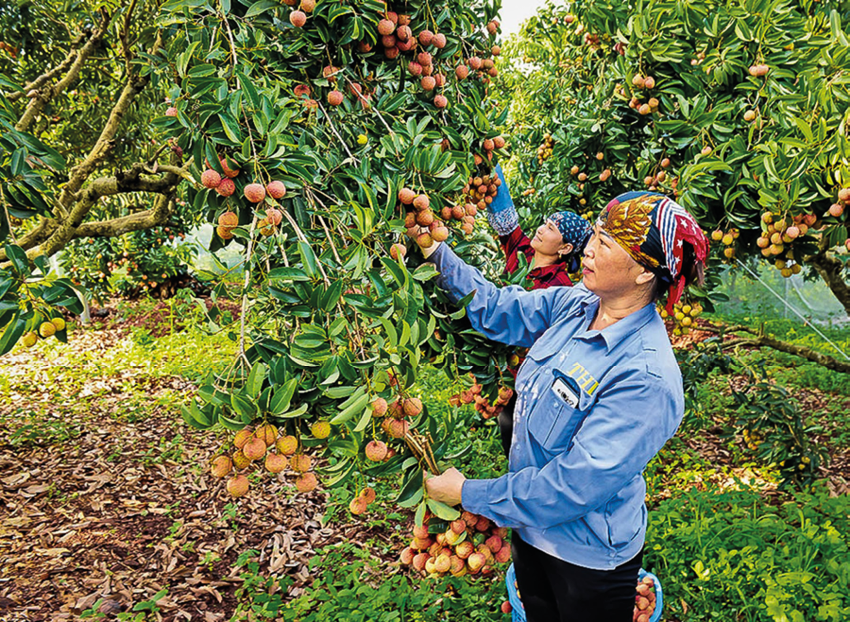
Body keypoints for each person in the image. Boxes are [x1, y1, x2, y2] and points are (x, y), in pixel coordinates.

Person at [422, 190, 708, 622]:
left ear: (644, 274)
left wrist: (469, 493)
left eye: (606, 245)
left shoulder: (645, 377)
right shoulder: (576, 305)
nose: (589, 250)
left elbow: (571, 487)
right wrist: (436, 252)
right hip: (531, 530)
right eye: (595, 234)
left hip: (586, 558)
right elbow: (499, 309)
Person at [485, 165, 593, 456]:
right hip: (500, 365)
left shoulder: (559, 287)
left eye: (551, 228)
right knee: (507, 432)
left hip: (528, 376)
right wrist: (488, 162)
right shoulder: (521, 250)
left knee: (519, 438)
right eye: (545, 223)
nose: (541, 229)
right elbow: (503, 209)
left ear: (566, 247)